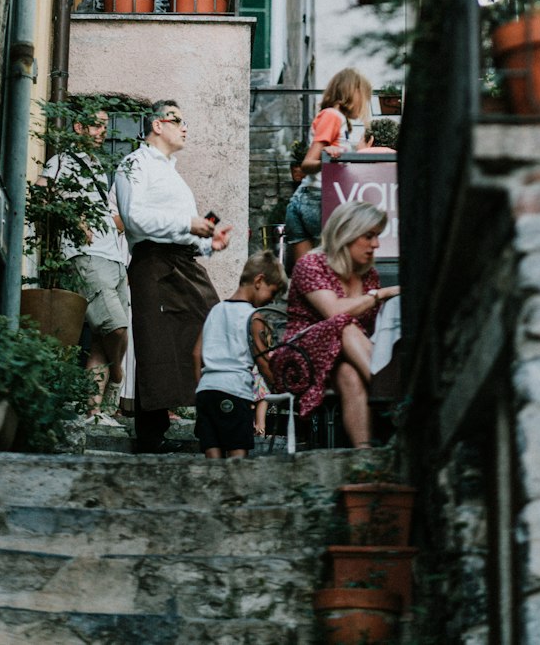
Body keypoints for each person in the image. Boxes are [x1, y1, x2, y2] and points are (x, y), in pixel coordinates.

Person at [114, 101, 233, 453]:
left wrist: (211, 244)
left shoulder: (173, 173)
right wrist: (188, 224)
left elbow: (186, 231)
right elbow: (134, 218)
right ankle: (152, 436)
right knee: (158, 344)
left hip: (184, 262)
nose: (185, 127)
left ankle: (211, 422)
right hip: (153, 263)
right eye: (177, 120)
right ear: (157, 125)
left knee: (211, 333)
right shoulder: (135, 164)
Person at [279, 200, 399, 448]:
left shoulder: (368, 274)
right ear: (347, 233)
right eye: (369, 236)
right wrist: (381, 294)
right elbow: (333, 312)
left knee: (349, 375)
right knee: (343, 324)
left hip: (346, 358)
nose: (376, 245)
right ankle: (392, 399)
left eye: (377, 237)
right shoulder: (311, 265)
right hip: (302, 356)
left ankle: (365, 458)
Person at [38, 105, 128, 426]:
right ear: (78, 128)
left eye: (105, 126)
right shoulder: (61, 161)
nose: (101, 132)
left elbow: (108, 216)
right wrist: (73, 219)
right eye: (95, 126)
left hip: (114, 258)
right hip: (85, 255)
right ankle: (117, 374)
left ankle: (95, 410)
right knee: (115, 328)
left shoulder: (97, 168)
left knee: (105, 337)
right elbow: (41, 193)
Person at [192, 250, 287, 458]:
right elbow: (262, 361)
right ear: (259, 281)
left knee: (213, 455)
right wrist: (280, 387)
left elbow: (196, 353)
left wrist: (202, 387)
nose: (270, 300)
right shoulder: (254, 318)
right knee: (238, 458)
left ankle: (215, 489)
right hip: (234, 392)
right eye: (272, 293)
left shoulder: (215, 310)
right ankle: (235, 491)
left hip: (207, 391)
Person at [285, 69, 374, 263]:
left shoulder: (333, 118)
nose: (363, 104)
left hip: (305, 199)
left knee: (306, 276)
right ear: (352, 92)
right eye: (363, 97)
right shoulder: (333, 116)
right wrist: (327, 158)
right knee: (335, 269)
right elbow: (308, 164)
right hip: (318, 200)